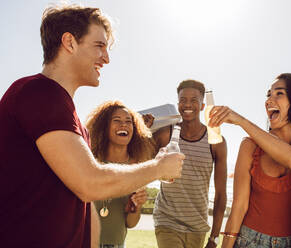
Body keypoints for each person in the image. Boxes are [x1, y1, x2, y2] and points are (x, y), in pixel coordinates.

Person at [0, 4, 183, 247]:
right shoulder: (38, 92)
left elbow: (85, 205)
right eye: (99, 46)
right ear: (70, 42)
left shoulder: (72, 120)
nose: (106, 58)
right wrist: (159, 168)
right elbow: (90, 183)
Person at [208, 73, 291, 248]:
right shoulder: (250, 146)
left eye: (278, 93)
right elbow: (239, 207)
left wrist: (241, 121)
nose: (268, 100)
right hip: (248, 241)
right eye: (268, 95)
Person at [152, 80, 228, 248]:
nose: (187, 104)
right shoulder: (165, 134)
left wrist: (214, 237)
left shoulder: (216, 141)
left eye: (194, 100)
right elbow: (139, 159)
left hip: (198, 227)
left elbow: (221, 194)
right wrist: (143, 128)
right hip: (167, 221)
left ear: (202, 105)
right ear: (177, 103)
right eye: (182, 99)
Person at [86, 100, 155, 248]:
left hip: (117, 244)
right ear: (104, 127)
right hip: (85, 241)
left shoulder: (137, 167)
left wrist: (136, 206)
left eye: (128, 121)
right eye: (117, 120)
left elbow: (130, 223)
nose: (123, 125)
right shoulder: (91, 161)